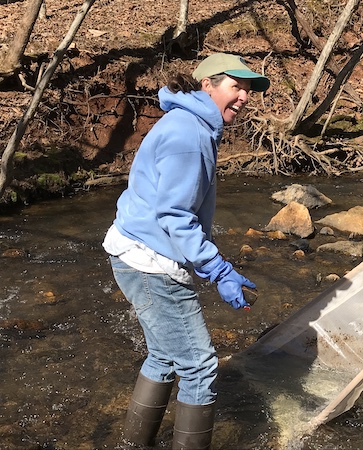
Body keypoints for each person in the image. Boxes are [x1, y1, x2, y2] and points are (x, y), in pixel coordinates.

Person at [102, 53, 270, 449]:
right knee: (199, 366)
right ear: (207, 85)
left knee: (163, 356)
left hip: (134, 249)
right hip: (150, 260)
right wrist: (219, 269)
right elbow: (175, 216)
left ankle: (133, 443)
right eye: (236, 86)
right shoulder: (188, 134)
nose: (244, 96)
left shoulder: (192, 124)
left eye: (247, 89)